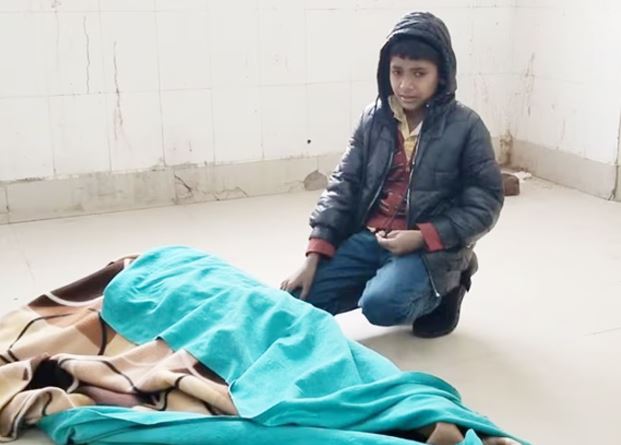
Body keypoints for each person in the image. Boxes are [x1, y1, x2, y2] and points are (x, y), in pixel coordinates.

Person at [281, 11, 503, 338]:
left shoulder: (467, 126)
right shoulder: (373, 119)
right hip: (369, 237)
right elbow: (343, 185)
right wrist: (314, 255)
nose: (405, 85)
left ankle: (448, 287)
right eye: (397, 71)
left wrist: (423, 236)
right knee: (296, 298)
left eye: (419, 73)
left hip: (428, 248)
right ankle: (386, 279)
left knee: (381, 306)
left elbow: (485, 203)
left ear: (442, 75)